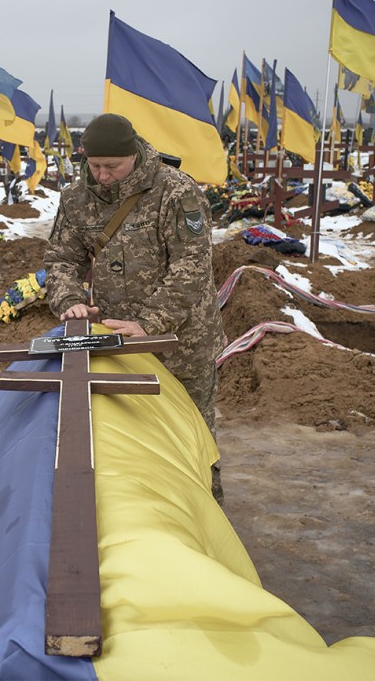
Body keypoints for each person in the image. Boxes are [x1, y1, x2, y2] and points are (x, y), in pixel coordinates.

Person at [43, 113, 226, 503]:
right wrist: (70, 300)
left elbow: (191, 267)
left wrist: (148, 322)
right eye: (95, 166)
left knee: (192, 435)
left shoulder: (176, 192)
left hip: (182, 345)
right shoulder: (77, 198)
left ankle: (206, 515)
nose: (104, 175)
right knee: (133, 438)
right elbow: (60, 259)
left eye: (113, 166)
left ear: (134, 155)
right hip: (118, 345)